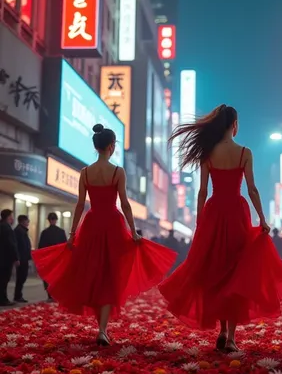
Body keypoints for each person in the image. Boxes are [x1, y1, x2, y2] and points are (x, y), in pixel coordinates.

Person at [159, 104, 282, 351]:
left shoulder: (208, 153)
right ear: (234, 125)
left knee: (216, 271)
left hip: (214, 211)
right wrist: (262, 218)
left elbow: (202, 192)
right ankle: (230, 337)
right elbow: (252, 189)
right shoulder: (245, 152)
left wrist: (200, 222)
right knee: (236, 271)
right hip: (237, 211)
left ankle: (222, 330)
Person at [33, 124, 177, 345]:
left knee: (93, 273)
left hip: (91, 224)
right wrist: (132, 231)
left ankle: (100, 327)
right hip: (113, 223)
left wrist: (72, 234)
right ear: (111, 146)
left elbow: (80, 205)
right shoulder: (118, 171)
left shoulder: (85, 173)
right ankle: (102, 329)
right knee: (110, 275)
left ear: (96, 146)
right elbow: (126, 204)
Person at [38, 213, 67, 300]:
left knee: (48, 276)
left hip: (48, 258)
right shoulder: (61, 232)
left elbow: (41, 247)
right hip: (58, 258)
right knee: (57, 276)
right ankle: (55, 293)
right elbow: (65, 245)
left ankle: (50, 293)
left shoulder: (45, 232)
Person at [0, 209, 19, 306]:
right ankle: (3, 299)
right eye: (11, 216)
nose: (12, 218)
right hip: (6, 259)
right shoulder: (7, 228)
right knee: (4, 279)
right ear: (8, 217)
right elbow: (12, 245)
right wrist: (16, 258)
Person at [13, 215, 32, 303]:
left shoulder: (22, 231)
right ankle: (17, 295)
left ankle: (18, 295)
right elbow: (18, 246)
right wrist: (18, 258)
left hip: (24, 257)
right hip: (22, 258)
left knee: (22, 277)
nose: (28, 222)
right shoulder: (19, 231)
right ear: (23, 221)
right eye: (27, 221)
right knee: (21, 277)